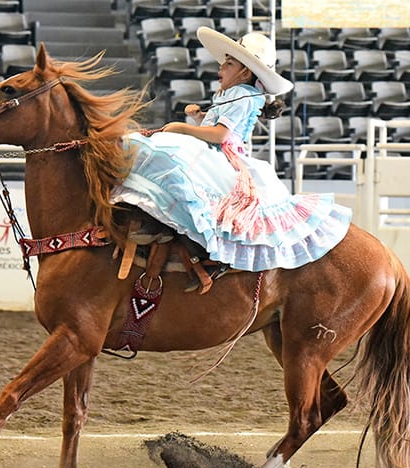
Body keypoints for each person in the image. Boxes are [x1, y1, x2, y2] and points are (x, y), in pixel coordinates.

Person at [113, 29, 352, 285]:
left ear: (245, 72)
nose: (221, 68)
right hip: (214, 151)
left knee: (168, 157)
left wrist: (182, 127)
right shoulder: (232, 95)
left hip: (221, 154)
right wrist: (199, 119)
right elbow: (217, 127)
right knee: (167, 156)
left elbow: (221, 135)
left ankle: (179, 238)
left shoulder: (242, 95)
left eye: (228, 63)